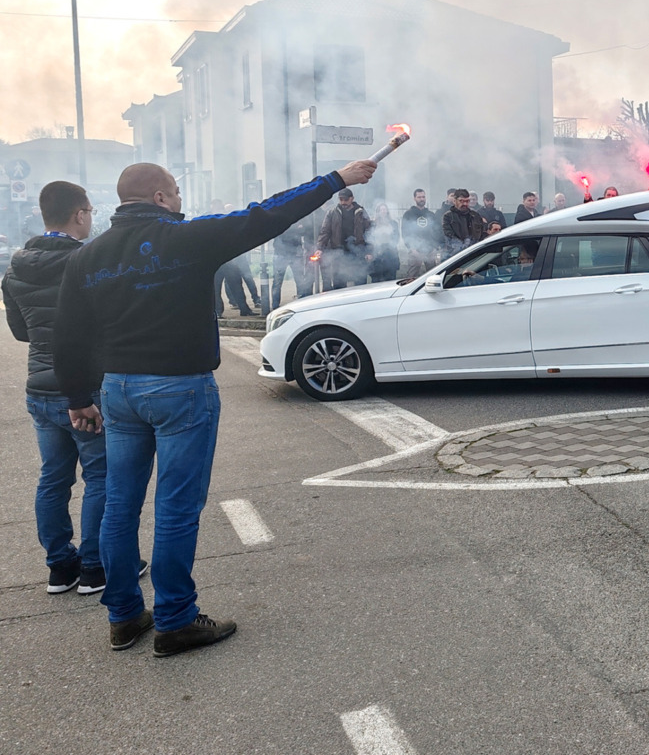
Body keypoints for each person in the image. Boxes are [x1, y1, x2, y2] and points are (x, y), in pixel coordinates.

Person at [53, 159, 376, 657]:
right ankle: (176, 619)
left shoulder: (86, 257)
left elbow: (68, 334)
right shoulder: (187, 238)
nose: (181, 201)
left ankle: (122, 617)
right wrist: (336, 180)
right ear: (160, 198)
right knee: (176, 507)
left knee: (120, 504)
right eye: (176, 193)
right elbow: (267, 215)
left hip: (118, 389)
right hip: (180, 386)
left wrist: (77, 397)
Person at [3, 182, 129, 597]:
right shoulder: (89, 261)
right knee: (99, 477)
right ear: (80, 214)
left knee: (53, 479)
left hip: (38, 389)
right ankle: (94, 568)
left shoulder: (16, 267)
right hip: (85, 390)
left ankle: (60, 567)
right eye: (90, 212)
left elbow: (21, 332)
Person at [317, 188, 371, 289]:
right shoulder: (332, 213)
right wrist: (320, 248)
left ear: (352, 198)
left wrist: (369, 251)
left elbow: (369, 232)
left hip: (358, 252)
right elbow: (325, 231)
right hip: (339, 252)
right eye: (341, 199)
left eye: (346, 200)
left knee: (360, 283)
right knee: (339, 283)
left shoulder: (361, 212)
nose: (343, 202)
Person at [208, 201, 254, 316]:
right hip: (221, 262)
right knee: (219, 288)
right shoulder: (215, 221)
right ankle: (220, 311)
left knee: (233, 286)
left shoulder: (219, 221)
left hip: (225, 261)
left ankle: (242, 310)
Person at [270, 220, 313, 309]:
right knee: (279, 281)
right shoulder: (281, 219)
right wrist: (296, 228)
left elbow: (304, 230)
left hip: (292, 253)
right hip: (282, 253)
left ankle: (300, 303)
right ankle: (275, 305)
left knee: (298, 280)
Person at [400, 188, 437, 278]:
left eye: (423, 197)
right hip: (415, 250)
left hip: (430, 250)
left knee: (433, 275)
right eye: (419, 197)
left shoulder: (431, 214)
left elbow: (436, 231)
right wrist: (412, 249)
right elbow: (405, 233)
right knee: (412, 276)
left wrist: (435, 247)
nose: (421, 199)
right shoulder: (408, 214)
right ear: (414, 198)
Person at [441, 187, 485, 255]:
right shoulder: (448, 216)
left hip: (474, 253)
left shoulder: (475, 216)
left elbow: (481, 234)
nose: (465, 204)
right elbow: (449, 235)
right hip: (454, 255)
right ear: (454, 201)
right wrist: (463, 247)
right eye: (461, 201)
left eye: (467, 201)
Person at [366, 203, 401, 282]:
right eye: (381, 210)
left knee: (390, 280)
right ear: (377, 212)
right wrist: (369, 252)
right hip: (376, 257)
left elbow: (396, 238)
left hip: (390, 256)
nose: (383, 212)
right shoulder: (372, 224)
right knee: (376, 281)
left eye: (384, 209)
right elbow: (368, 239)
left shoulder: (393, 224)